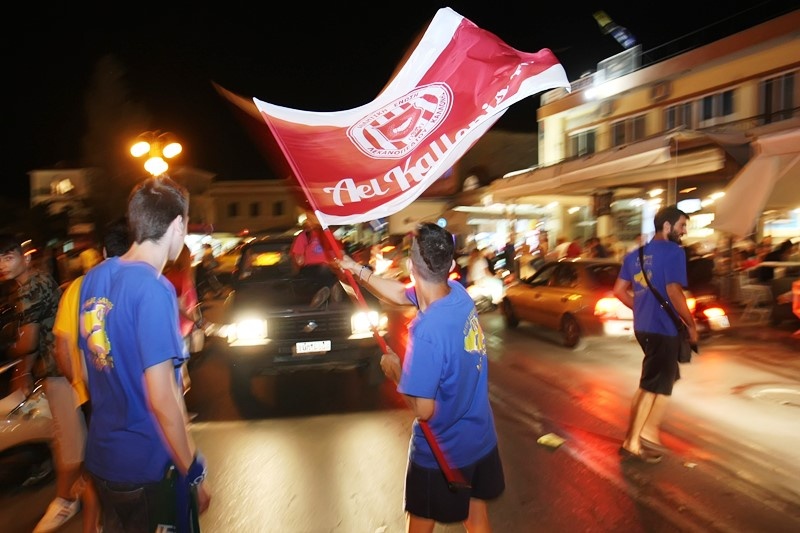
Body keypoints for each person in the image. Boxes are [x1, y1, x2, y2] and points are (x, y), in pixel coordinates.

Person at [337, 222, 505, 532]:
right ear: (451, 265)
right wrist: (356, 270)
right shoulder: (457, 294)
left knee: (420, 521)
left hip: (443, 449)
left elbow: (424, 410)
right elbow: (401, 294)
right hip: (480, 439)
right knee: (476, 515)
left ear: (410, 266)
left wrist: (395, 371)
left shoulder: (427, 331)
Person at [77, 176, 211, 532]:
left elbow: (89, 372)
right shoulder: (154, 290)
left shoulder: (93, 279)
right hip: (146, 466)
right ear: (178, 225)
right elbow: (163, 397)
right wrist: (193, 470)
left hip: (104, 459)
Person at [48, 216, 130, 533]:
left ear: (102, 249)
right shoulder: (142, 284)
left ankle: (93, 525)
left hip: (94, 397)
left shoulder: (80, 287)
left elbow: (62, 348)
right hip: (130, 396)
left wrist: (82, 388)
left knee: (99, 468)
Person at [0, 235, 75, 532]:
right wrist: (26, 368)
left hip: (60, 369)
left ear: (25, 258)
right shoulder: (34, 282)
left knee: (66, 439)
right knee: (62, 436)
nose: (2, 264)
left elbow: (28, 340)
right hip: (55, 367)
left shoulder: (30, 287)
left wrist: (10, 349)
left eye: (8, 256)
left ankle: (67, 501)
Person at [613, 205, 698, 464]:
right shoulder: (674, 252)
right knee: (651, 385)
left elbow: (619, 291)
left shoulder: (635, 255)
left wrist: (639, 307)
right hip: (663, 328)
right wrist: (691, 325)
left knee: (665, 377)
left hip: (644, 327)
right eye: (682, 226)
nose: (684, 231)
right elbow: (673, 292)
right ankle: (632, 442)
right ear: (667, 227)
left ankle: (647, 430)